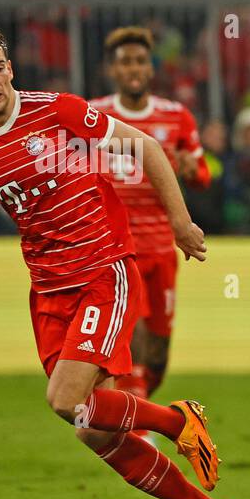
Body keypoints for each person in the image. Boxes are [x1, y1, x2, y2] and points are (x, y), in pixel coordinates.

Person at [0, 23, 240, 499]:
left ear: (11, 68)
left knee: (65, 400)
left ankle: (178, 420)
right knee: (91, 429)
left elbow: (144, 146)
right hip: (49, 292)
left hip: (104, 270)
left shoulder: (58, 110)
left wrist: (180, 223)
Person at [90, 27, 211, 428]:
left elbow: (204, 173)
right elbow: (68, 163)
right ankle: (141, 429)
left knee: (158, 352)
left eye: (140, 61)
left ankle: (136, 409)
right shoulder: (93, 115)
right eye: (125, 62)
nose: (134, 69)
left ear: (150, 67)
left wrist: (195, 172)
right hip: (115, 247)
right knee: (133, 336)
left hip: (163, 247)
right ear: (112, 69)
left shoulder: (176, 116)